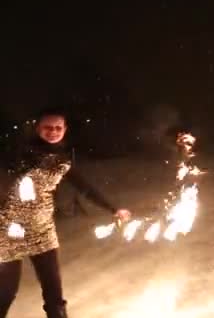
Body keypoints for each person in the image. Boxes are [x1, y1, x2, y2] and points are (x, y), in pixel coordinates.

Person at [0, 108, 130, 318]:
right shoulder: (20, 153)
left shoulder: (62, 160)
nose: (53, 131)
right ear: (37, 128)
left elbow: (84, 187)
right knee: (6, 292)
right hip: (10, 230)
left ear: (65, 129)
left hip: (43, 231)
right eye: (47, 127)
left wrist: (113, 209)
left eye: (58, 128)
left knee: (54, 294)